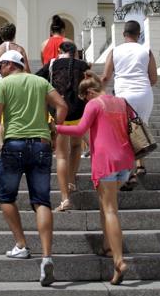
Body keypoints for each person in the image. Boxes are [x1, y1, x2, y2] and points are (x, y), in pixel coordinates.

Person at [0, 50, 68, 287]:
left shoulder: (4, 85)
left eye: (0, 65)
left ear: (11, 65)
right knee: (42, 201)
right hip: (40, 145)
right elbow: (62, 105)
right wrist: (55, 129)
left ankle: (21, 244)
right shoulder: (40, 81)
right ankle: (47, 257)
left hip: (14, 144)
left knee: (6, 197)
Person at [55, 72, 134, 285]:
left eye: (84, 98)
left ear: (89, 92)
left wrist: (56, 128)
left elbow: (80, 129)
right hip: (126, 161)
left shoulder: (94, 104)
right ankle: (107, 246)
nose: (84, 102)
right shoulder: (121, 102)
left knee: (110, 209)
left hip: (106, 161)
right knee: (105, 204)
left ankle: (118, 260)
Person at [102, 20, 157, 190]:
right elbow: (153, 78)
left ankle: (129, 175)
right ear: (139, 34)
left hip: (123, 96)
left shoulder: (115, 51)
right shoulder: (146, 50)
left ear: (124, 34)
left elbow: (105, 77)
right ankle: (137, 167)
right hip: (144, 95)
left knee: (123, 135)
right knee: (139, 129)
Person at [36, 41, 90, 212]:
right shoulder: (83, 65)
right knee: (76, 147)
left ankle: (65, 198)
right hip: (79, 114)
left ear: (59, 51)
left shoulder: (52, 64)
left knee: (61, 157)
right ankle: (71, 181)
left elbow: (37, 79)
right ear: (75, 52)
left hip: (59, 114)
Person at [0, 22, 31, 94]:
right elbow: (26, 70)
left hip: (1, 84)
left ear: (1, 36)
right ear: (14, 35)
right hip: (17, 84)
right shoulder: (20, 49)